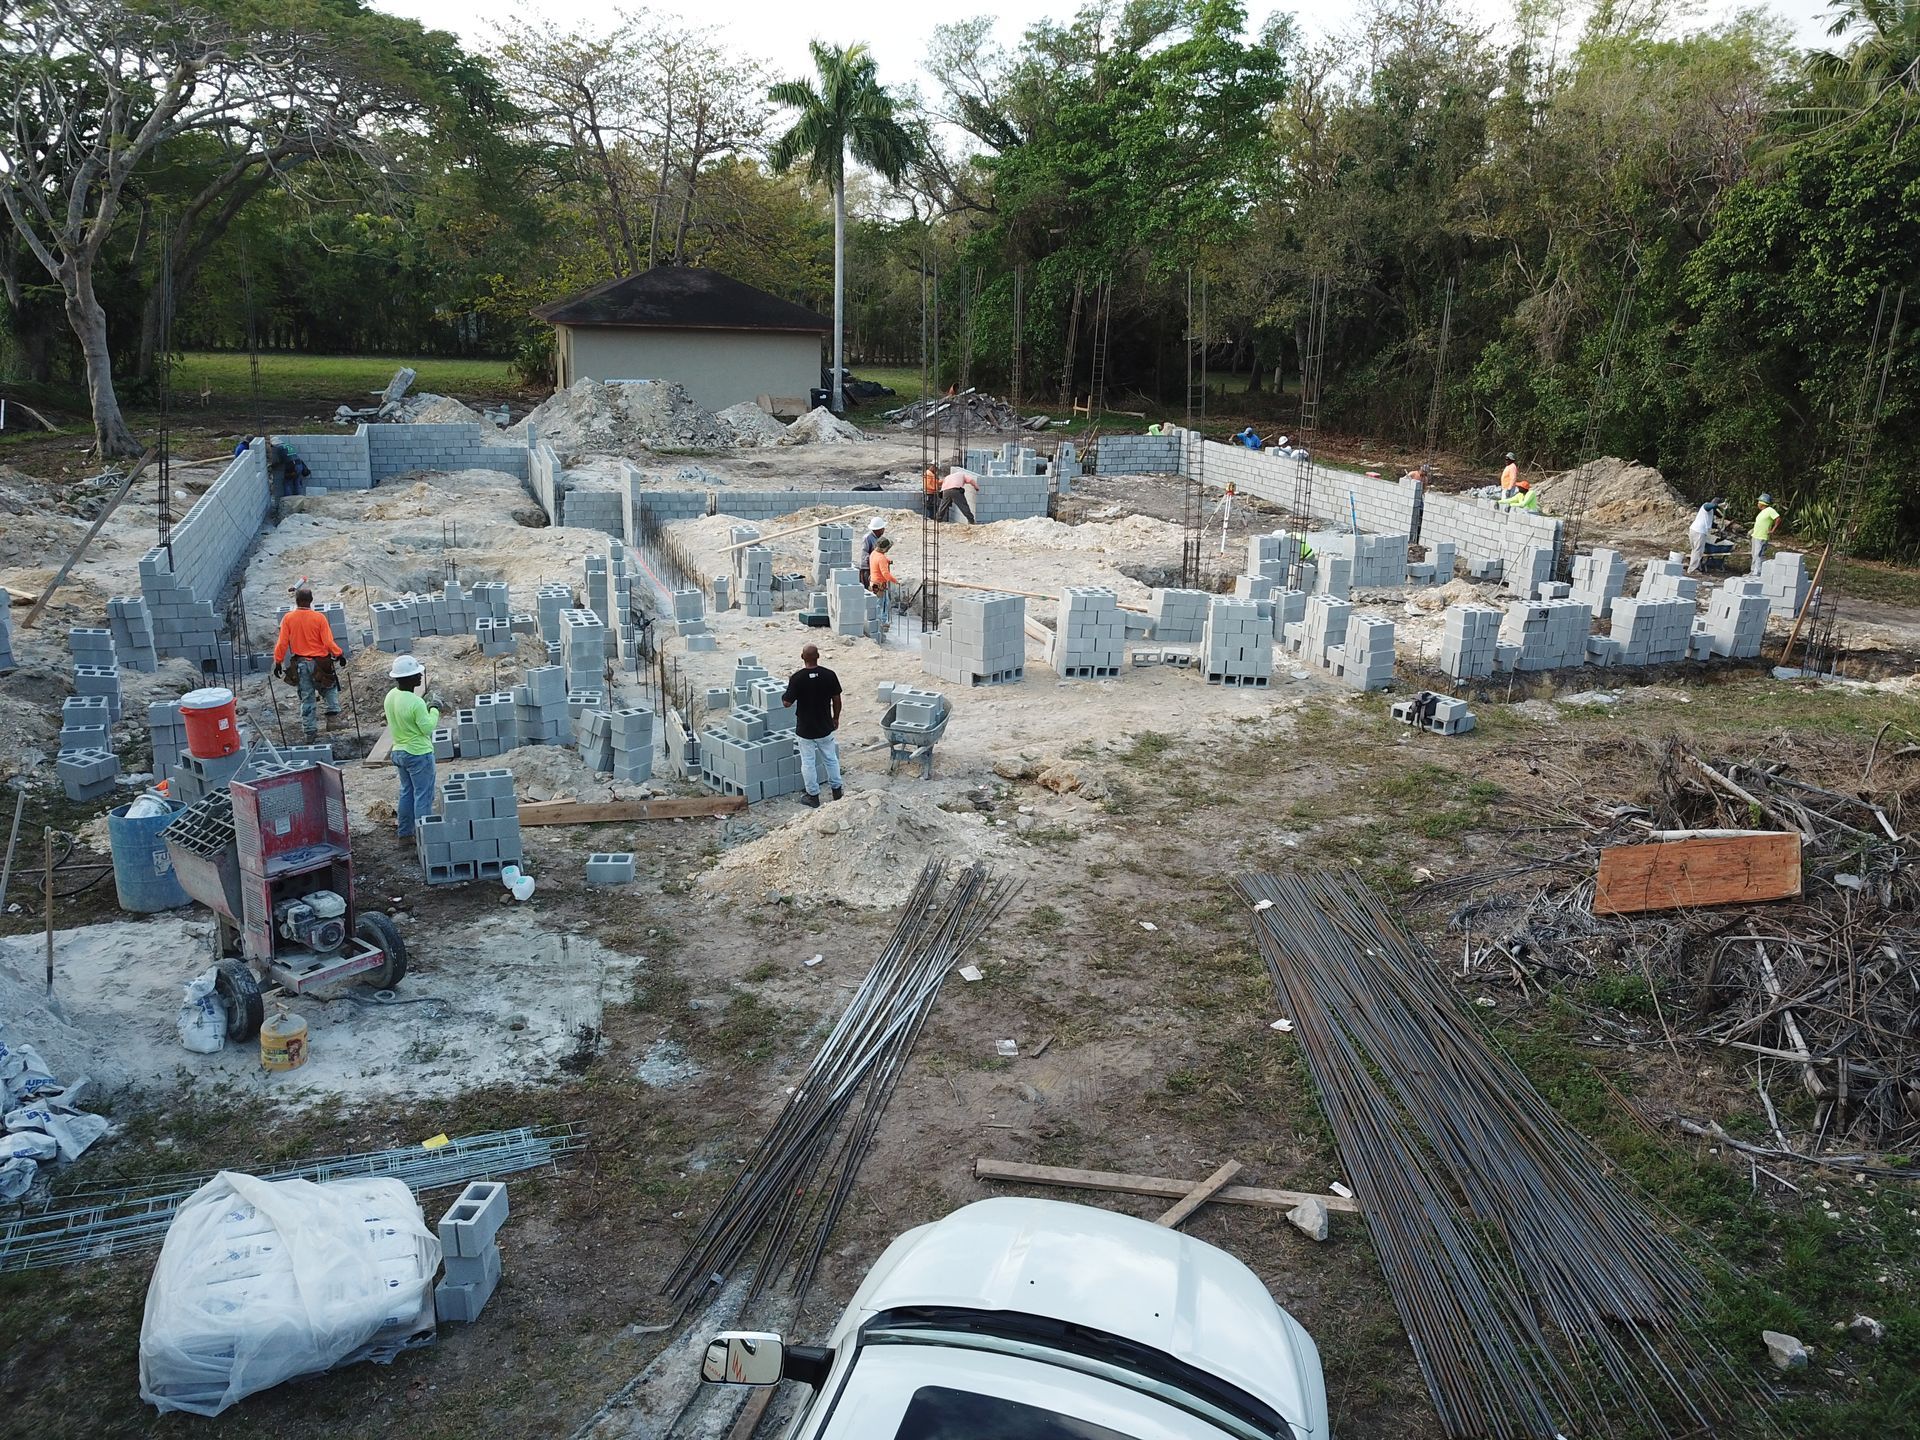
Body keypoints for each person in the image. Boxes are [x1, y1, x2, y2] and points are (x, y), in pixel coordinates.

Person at [272, 586, 345, 740]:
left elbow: (282, 643)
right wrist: (339, 654)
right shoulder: (319, 618)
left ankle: (310, 732)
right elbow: (328, 641)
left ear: (296, 601)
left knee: (307, 697)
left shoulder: (288, 618)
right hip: (321, 663)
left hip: (301, 664)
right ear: (311, 600)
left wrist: (278, 661)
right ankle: (333, 721)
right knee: (329, 689)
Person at [383, 656, 441, 840]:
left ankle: (405, 833)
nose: (420, 677)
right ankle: (426, 839)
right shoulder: (416, 702)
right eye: (417, 675)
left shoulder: (391, 696)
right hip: (418, 753)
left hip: (399, 751)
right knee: (423, 796)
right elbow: (427, 728)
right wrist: (434, 709)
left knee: (407, 792)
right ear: (408, 678)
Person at [781, 643, 843, 807]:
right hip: (825, 726)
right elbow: (837, 699)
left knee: (808, 762)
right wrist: (836, 718)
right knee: (831, 759)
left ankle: (813, 796)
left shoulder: (797, 678)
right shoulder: (829, 675)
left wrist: (786, 693)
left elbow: (787, 703)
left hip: (805, 729)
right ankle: (837, 791)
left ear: (802, 657)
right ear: (818, 656)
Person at [1686, 499, 1723, 573]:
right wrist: (1720, 505)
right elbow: (1710, 506)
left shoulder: (1709, 512)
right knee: (1698, 551)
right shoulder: (1706, 506)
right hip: (1699, 532)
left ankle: (1694, 566)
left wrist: (1718, 526)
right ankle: (1693, 569)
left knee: (1695, 550)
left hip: (1694, 530)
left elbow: (1709, 523)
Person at [869, 537, 897, 630]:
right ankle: (882, 623)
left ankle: (877, 622)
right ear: (885, 548)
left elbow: (878, 562)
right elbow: (885, 574)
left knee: (877, 603)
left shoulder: (874, 553)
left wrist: (887, 561)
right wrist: (895, 581)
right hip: (880, 585)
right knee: (883, 604)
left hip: (873, 583)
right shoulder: (882, 558)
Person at [1751, 493, 1781, 570]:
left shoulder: (1770, 510)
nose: (1757, 504)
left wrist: (1773, 530)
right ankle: (1753, 571)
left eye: (1758, 502)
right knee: (1754, 554)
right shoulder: (1763, 511)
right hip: (1755, 536)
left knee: (1758, 555)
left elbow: (1778, 519)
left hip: (1762, 536)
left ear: (1763, 503)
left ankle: (1758, 572)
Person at [861, 516, 887, 586]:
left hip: (875, 568)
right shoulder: (867, 538)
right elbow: (865, 553)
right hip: (868, 569)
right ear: (878, 530)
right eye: (882, 528)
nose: (884, 530)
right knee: (869, 588)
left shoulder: (878, 538)